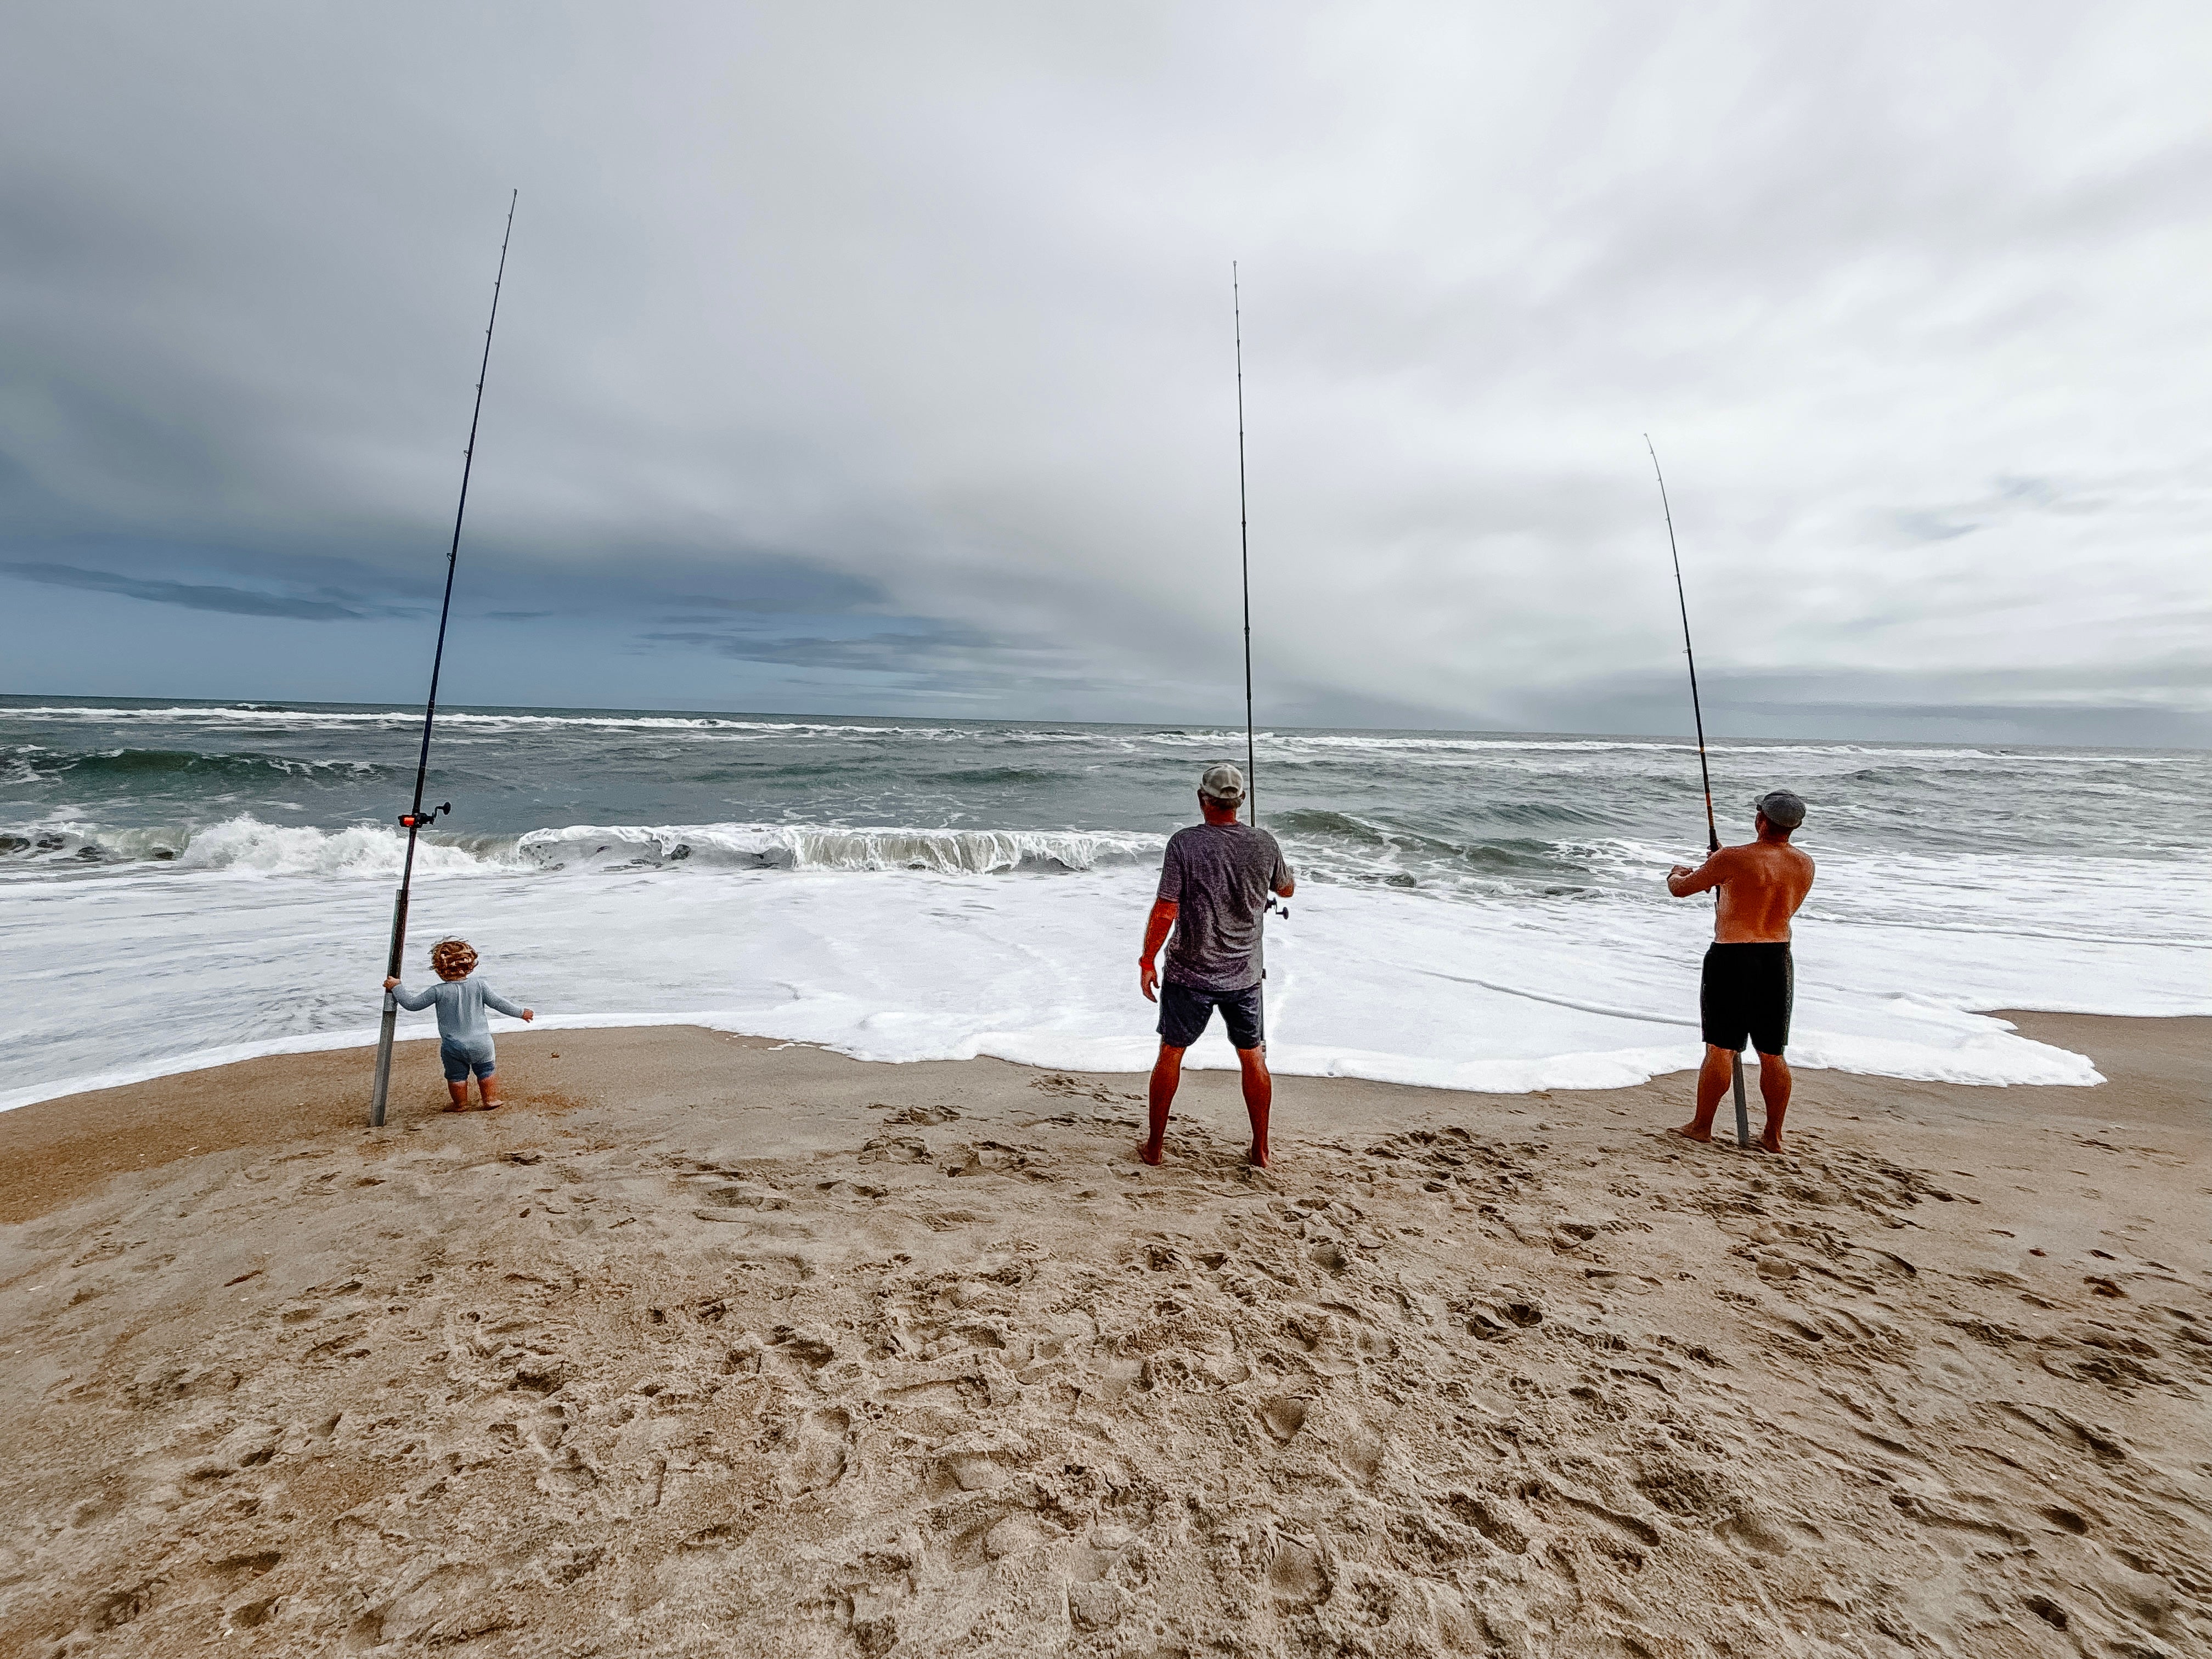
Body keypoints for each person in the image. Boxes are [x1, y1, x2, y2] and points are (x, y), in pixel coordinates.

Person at [1138, 762, 1295, 1167]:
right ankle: (1260, 1149)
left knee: (1171, 1052)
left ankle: (1155, 1147)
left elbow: (1166, 910)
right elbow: (1287, 889)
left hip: (1190, 970)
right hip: (1244, 974)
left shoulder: (1184, 844)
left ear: (1202, 799)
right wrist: (1267, 859)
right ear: (1240, 802)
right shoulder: (1264, 842)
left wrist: (1147, 960)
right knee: (1253, 1056)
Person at [1666, 790, 1815, 1153]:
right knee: (1772, 1052)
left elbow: (1683, 889)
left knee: (1721, 1047)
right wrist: (1719, 869)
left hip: (1732, 959)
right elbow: (1754, 890)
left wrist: (1678, 872)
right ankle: (1773, 1136)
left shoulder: (1732, 858)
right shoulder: (1804, 864)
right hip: (1777, 958)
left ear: (1761, 820)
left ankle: (1702, 1127)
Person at [382, 937, 534, 1113]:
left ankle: (460, 1104)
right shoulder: (479, 985)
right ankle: (490, 1099)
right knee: (486, 1072)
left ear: (439, 968)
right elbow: (499, 1004)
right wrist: (521, 1012)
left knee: (456, 1077)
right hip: (482, 1043)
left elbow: (412, 1005)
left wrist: (396, 987)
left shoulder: (437, 991)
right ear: (470, 965)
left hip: (453, 1046)